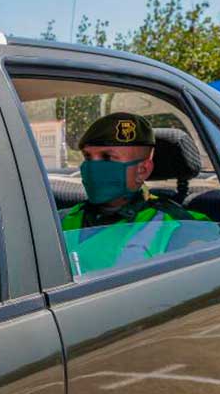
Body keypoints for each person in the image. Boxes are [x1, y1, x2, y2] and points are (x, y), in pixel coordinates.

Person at [60, 112, 209, 274]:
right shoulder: (63, 218)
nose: (92, 167)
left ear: (142, 170)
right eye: (88, 157)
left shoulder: (181, 227)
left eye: (107, 157)